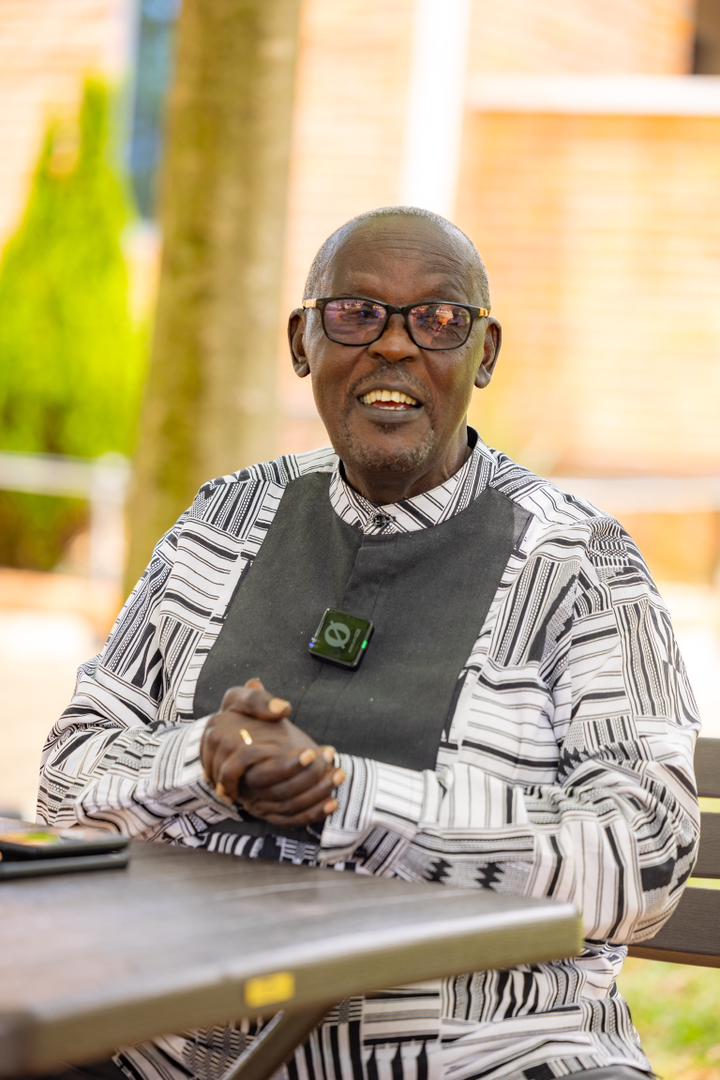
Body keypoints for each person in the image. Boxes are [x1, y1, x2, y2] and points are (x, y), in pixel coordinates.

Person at [38, 206, 701, 1080]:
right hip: (172, 1052)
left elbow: (646, 855)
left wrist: (346, 797)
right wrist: (202, 756)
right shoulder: (222, 523)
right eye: (356, 313)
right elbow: (66, 777)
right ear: (301, 342)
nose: (395, 345)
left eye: (439, 319)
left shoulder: (579, 563)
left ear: (485, 353)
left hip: (476, 1057)